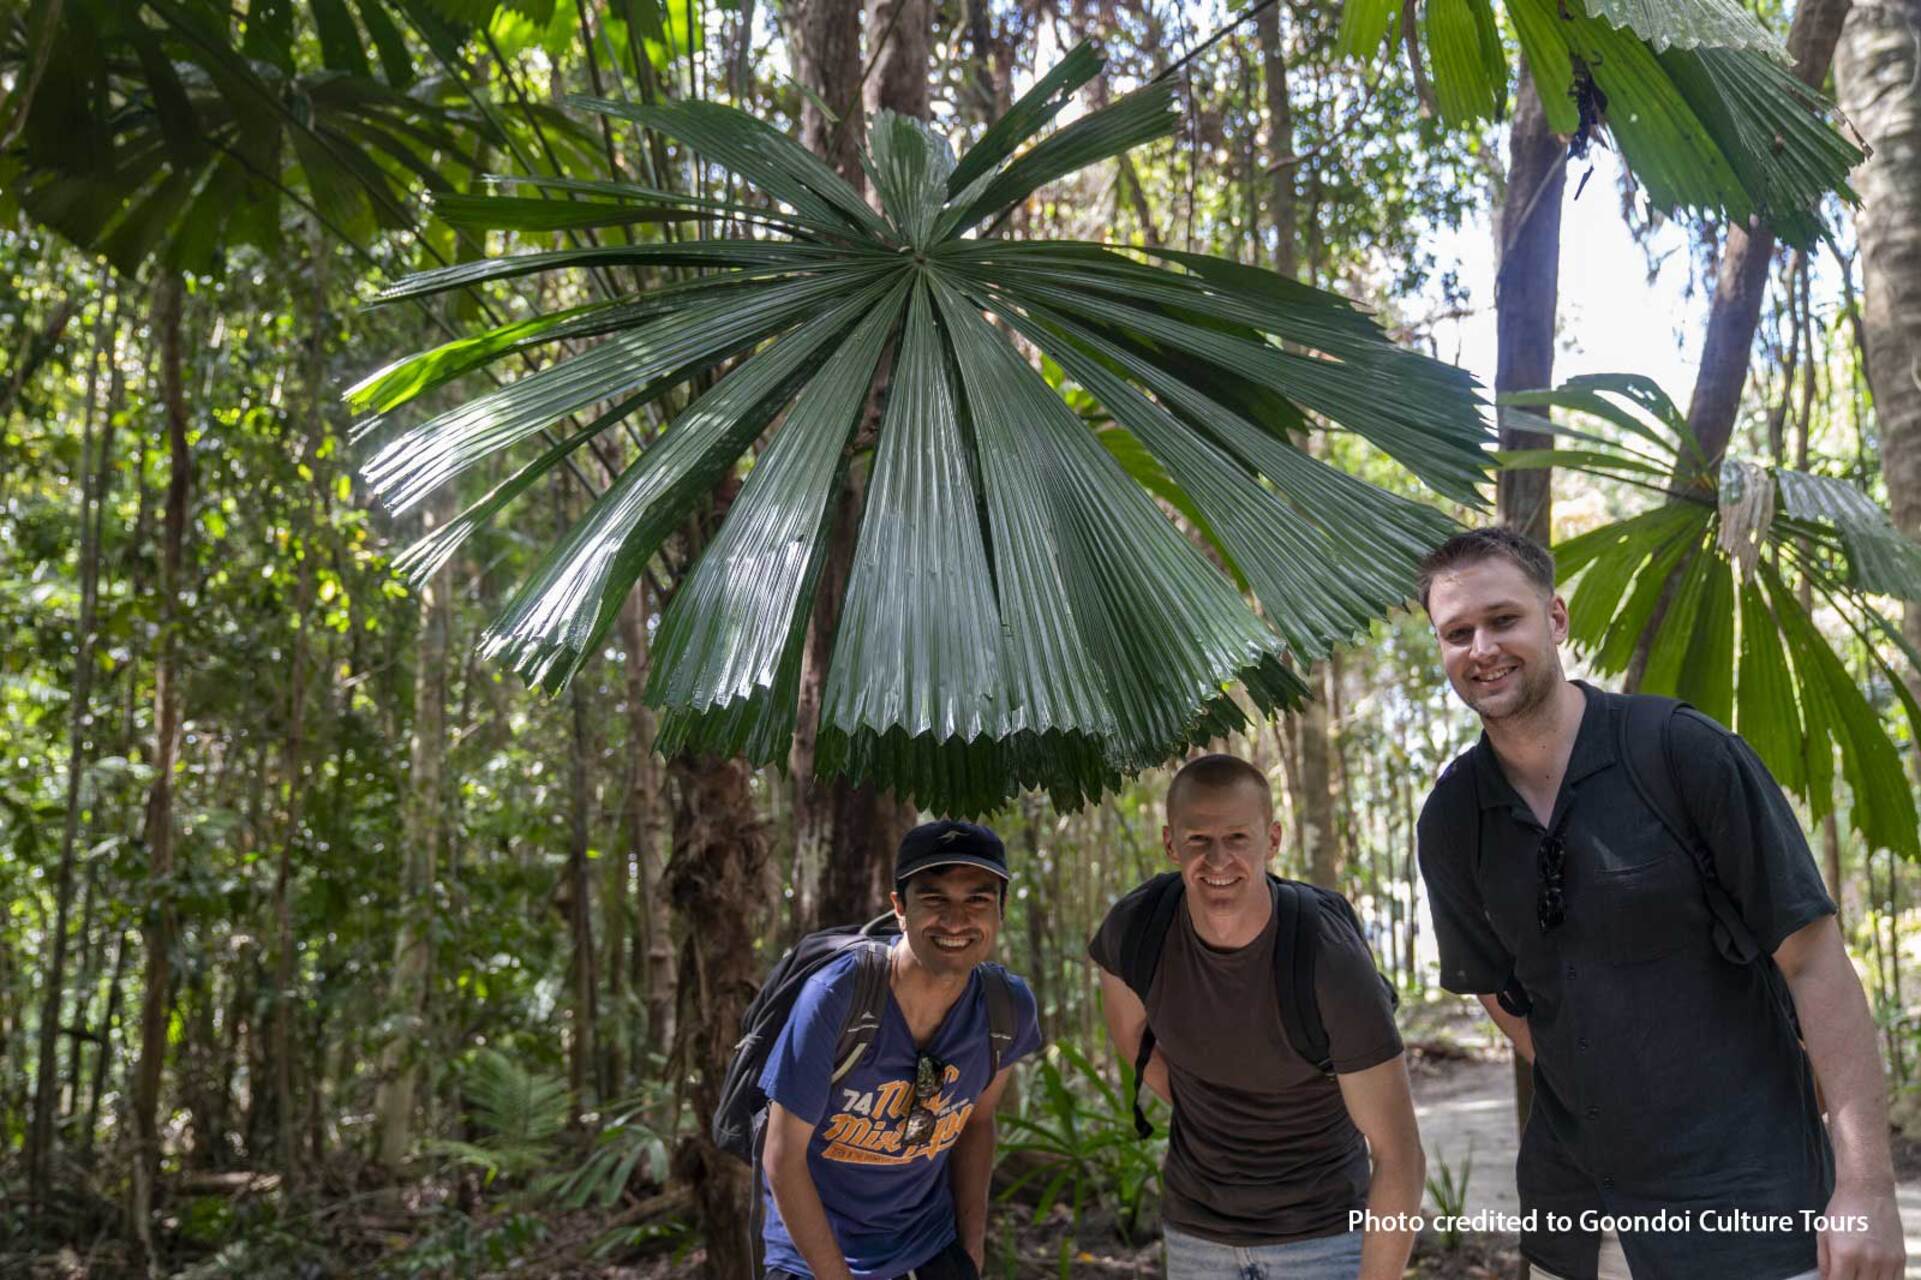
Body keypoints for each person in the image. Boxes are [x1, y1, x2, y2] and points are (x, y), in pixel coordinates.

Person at [1414, 526, 1905, 1280]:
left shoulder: (1680, 751)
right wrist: (1606, 1076)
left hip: (1750, 1203)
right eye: (1457, 632)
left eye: (1502, 619)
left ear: (1554, 618)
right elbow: (1491, 984)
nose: (1481, 647)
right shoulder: (1451, 818)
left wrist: (1865, 1187)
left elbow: (1814, 963)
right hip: (1578, 1211)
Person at [1090, 753, 1426, 1280]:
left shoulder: (1327, 959)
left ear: (1272, 841)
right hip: (1197, 1231)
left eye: (1238, 839)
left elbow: (1399, 1152)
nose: (1218, 859)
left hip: (1325, 1233)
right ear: (1170, 843)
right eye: (1198, 839)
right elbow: (1134, 1042)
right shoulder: (1136, 931)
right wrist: (1220, 1109)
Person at [758, 820, 1043, 1280]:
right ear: (899, 908)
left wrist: (970, 1253)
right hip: (813, 1260)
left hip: (927, 1248)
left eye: (977, 899)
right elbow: (782, 1157)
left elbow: (979, 1123)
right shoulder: (836, 998)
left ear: (1000, 910)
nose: (956, 920)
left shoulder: (1005, 1009)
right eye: (934, 899)